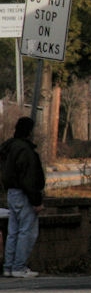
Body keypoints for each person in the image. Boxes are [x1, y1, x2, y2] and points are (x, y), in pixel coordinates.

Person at [1, 117, 45, 278]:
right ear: (29, 131)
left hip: (12, 192)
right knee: (27, 231)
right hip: (24, 193)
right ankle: (19, 266)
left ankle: (9, 266)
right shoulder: (25, 150)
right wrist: (37, 201)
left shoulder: (9, 148)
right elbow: (30, 178)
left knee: (13, 231)